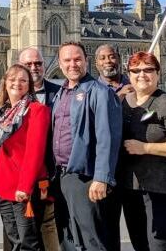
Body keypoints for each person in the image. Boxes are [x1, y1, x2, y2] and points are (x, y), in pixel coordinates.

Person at [115, 52, 166, 251]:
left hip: (160, 188)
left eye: (148, 70)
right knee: (140, 244)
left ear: (158, 74)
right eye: (136, 70)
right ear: (129, 74)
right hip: (130, 187)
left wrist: (145, 148)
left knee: (159, 245)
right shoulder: (123, 103)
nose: (141, 75)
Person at [52, 42, 122, 251]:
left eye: (77, 59)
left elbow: (107, 138)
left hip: (86, 176)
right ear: (60, 63)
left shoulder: (100, 92)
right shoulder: (61, 93)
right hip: (61, 175)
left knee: (91, 239)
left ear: (86, 61)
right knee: (68, 238)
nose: (72, 64)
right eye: (67, 60)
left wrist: (101, 177)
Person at [0, 64, 50, 251]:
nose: (17, 83)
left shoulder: (37, 110)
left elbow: (34, 152)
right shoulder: (3, 113)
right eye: (12, 79)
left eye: (23, 80)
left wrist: (25, 186)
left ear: (30, 85)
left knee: (29, 242)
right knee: (14, 240)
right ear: (5, 83)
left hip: (23, 188)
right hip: (3, 187)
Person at [17, 47, 61, 251]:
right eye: (28, 64)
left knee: (49, 226)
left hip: (49, 171)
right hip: (18, 174)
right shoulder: (7, 97)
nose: (34, 67)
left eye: (38, 63)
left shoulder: (59, 92)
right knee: (19, 230)